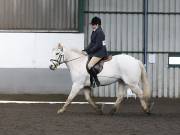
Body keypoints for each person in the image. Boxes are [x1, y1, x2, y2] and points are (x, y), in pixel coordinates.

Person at [82, 16, 108, 87]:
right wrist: (85, 50)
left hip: (100, 52)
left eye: (93, 25)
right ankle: (92, 81)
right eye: (92, 25)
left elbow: (98, 45)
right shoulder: (94, 32)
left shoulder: (100, 32)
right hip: (96, 51)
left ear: (97, 25)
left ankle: (96, 80)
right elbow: (92, 43)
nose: (92, 26)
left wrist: (89, 52)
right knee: (88, 62)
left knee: (89, 65)